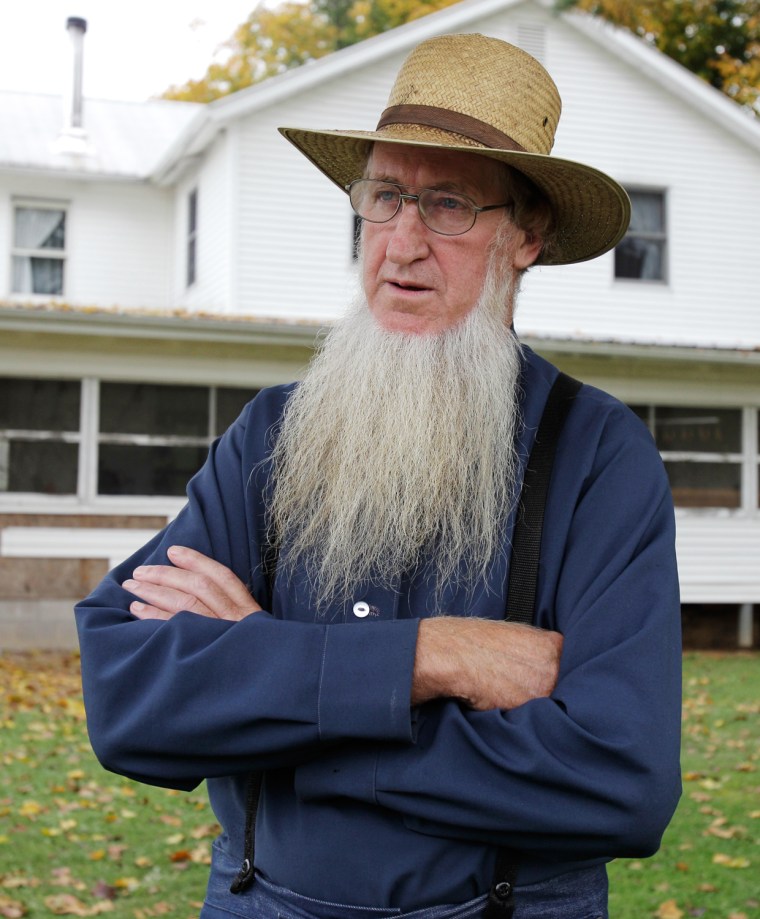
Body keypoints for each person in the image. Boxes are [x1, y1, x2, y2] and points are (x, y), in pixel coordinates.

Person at [75, 33, 682, 919]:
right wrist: (432, 656)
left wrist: (274, 691)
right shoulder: (273, 436)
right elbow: (126, 695)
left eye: (446, 205)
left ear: (528, 235)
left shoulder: (599, 456)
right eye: (386, 196)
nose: (400, 244)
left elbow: (619, 781)